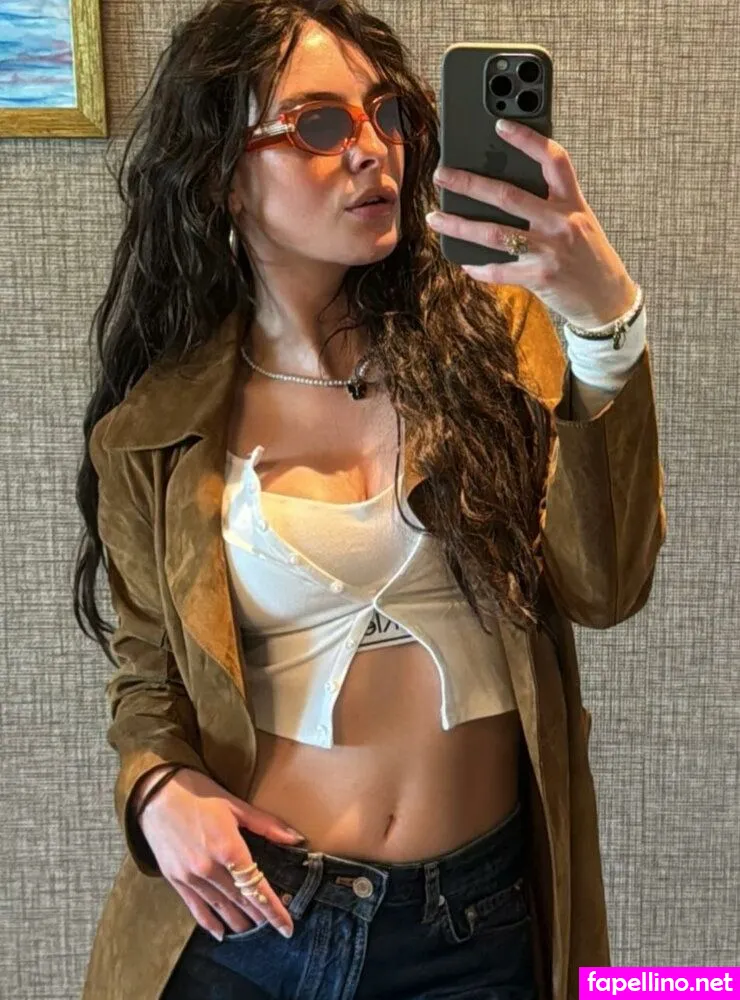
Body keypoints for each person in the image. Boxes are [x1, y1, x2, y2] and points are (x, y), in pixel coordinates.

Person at [73, 1, 666, 998]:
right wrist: (157, 789)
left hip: (474, 928)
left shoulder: (496, 345)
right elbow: (147, 681)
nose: (371, 150)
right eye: (317, 125)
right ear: (222, 176)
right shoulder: (156, 429)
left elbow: (605, 586)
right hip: (251, 924)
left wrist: (605, 326)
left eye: (385, 113)